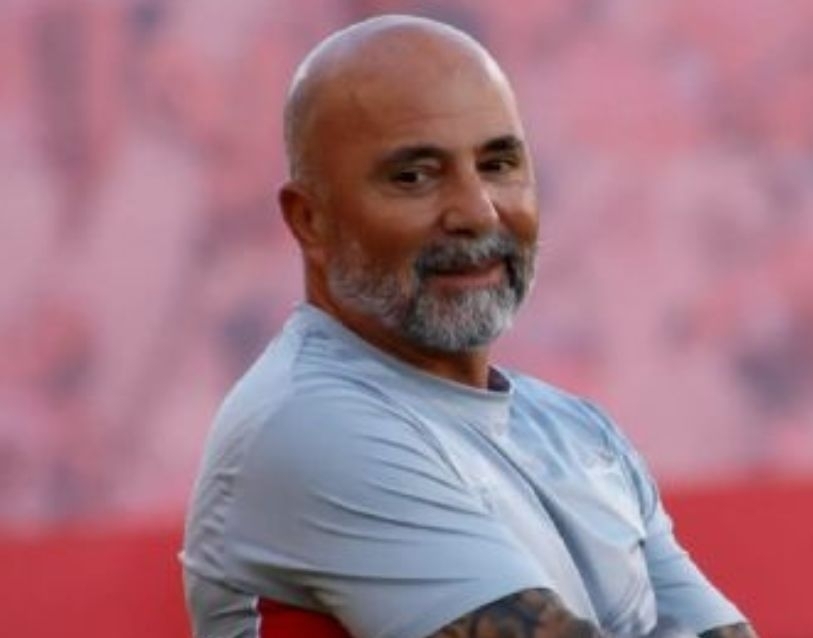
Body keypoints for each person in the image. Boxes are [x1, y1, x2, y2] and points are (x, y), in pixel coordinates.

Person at [181, 14, 759, 638]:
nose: (477, 213)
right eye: (414, 177)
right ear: (309, 220)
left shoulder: (580, 432)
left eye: (498, 164)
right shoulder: (306, 423)